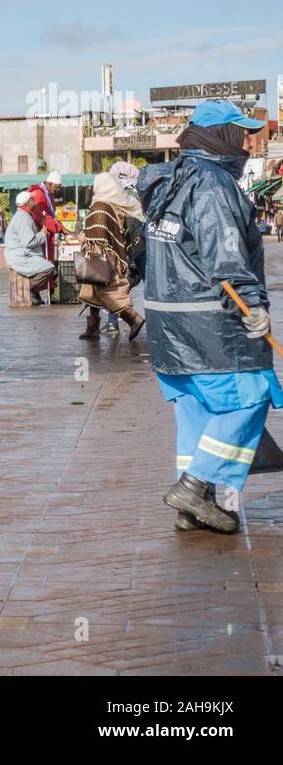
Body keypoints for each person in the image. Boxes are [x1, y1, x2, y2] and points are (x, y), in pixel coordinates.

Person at [139, 100, 281, 534]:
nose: (248, 141)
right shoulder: (214, 184)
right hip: (210, 323)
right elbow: (227, 253)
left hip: (167, 324)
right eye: (241, 133)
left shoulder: (168, 181)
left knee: (197, 408)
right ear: (220, 136)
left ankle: (195, 504)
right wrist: (253, 305)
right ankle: (194, 486)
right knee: (250, 395)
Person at [77, 172, 146, 341]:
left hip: (101, 256)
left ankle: (133, 318)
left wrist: (85, 236)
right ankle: (92, 328)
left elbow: (98, 233)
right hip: (113, 254)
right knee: (90, 291)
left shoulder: (100, 204)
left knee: (106, 291)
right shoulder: (117, 202)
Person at [4, 190, 55, 302]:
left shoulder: (24, 216)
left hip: (23, 255)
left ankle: (28, 289)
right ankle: (25, 288)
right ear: (28, 203)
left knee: (49, 268)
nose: (34, 201)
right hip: (21, 256)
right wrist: (42, 234)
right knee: (49, 268)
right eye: (32, 200)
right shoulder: (23, 218)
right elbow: (29, 242)